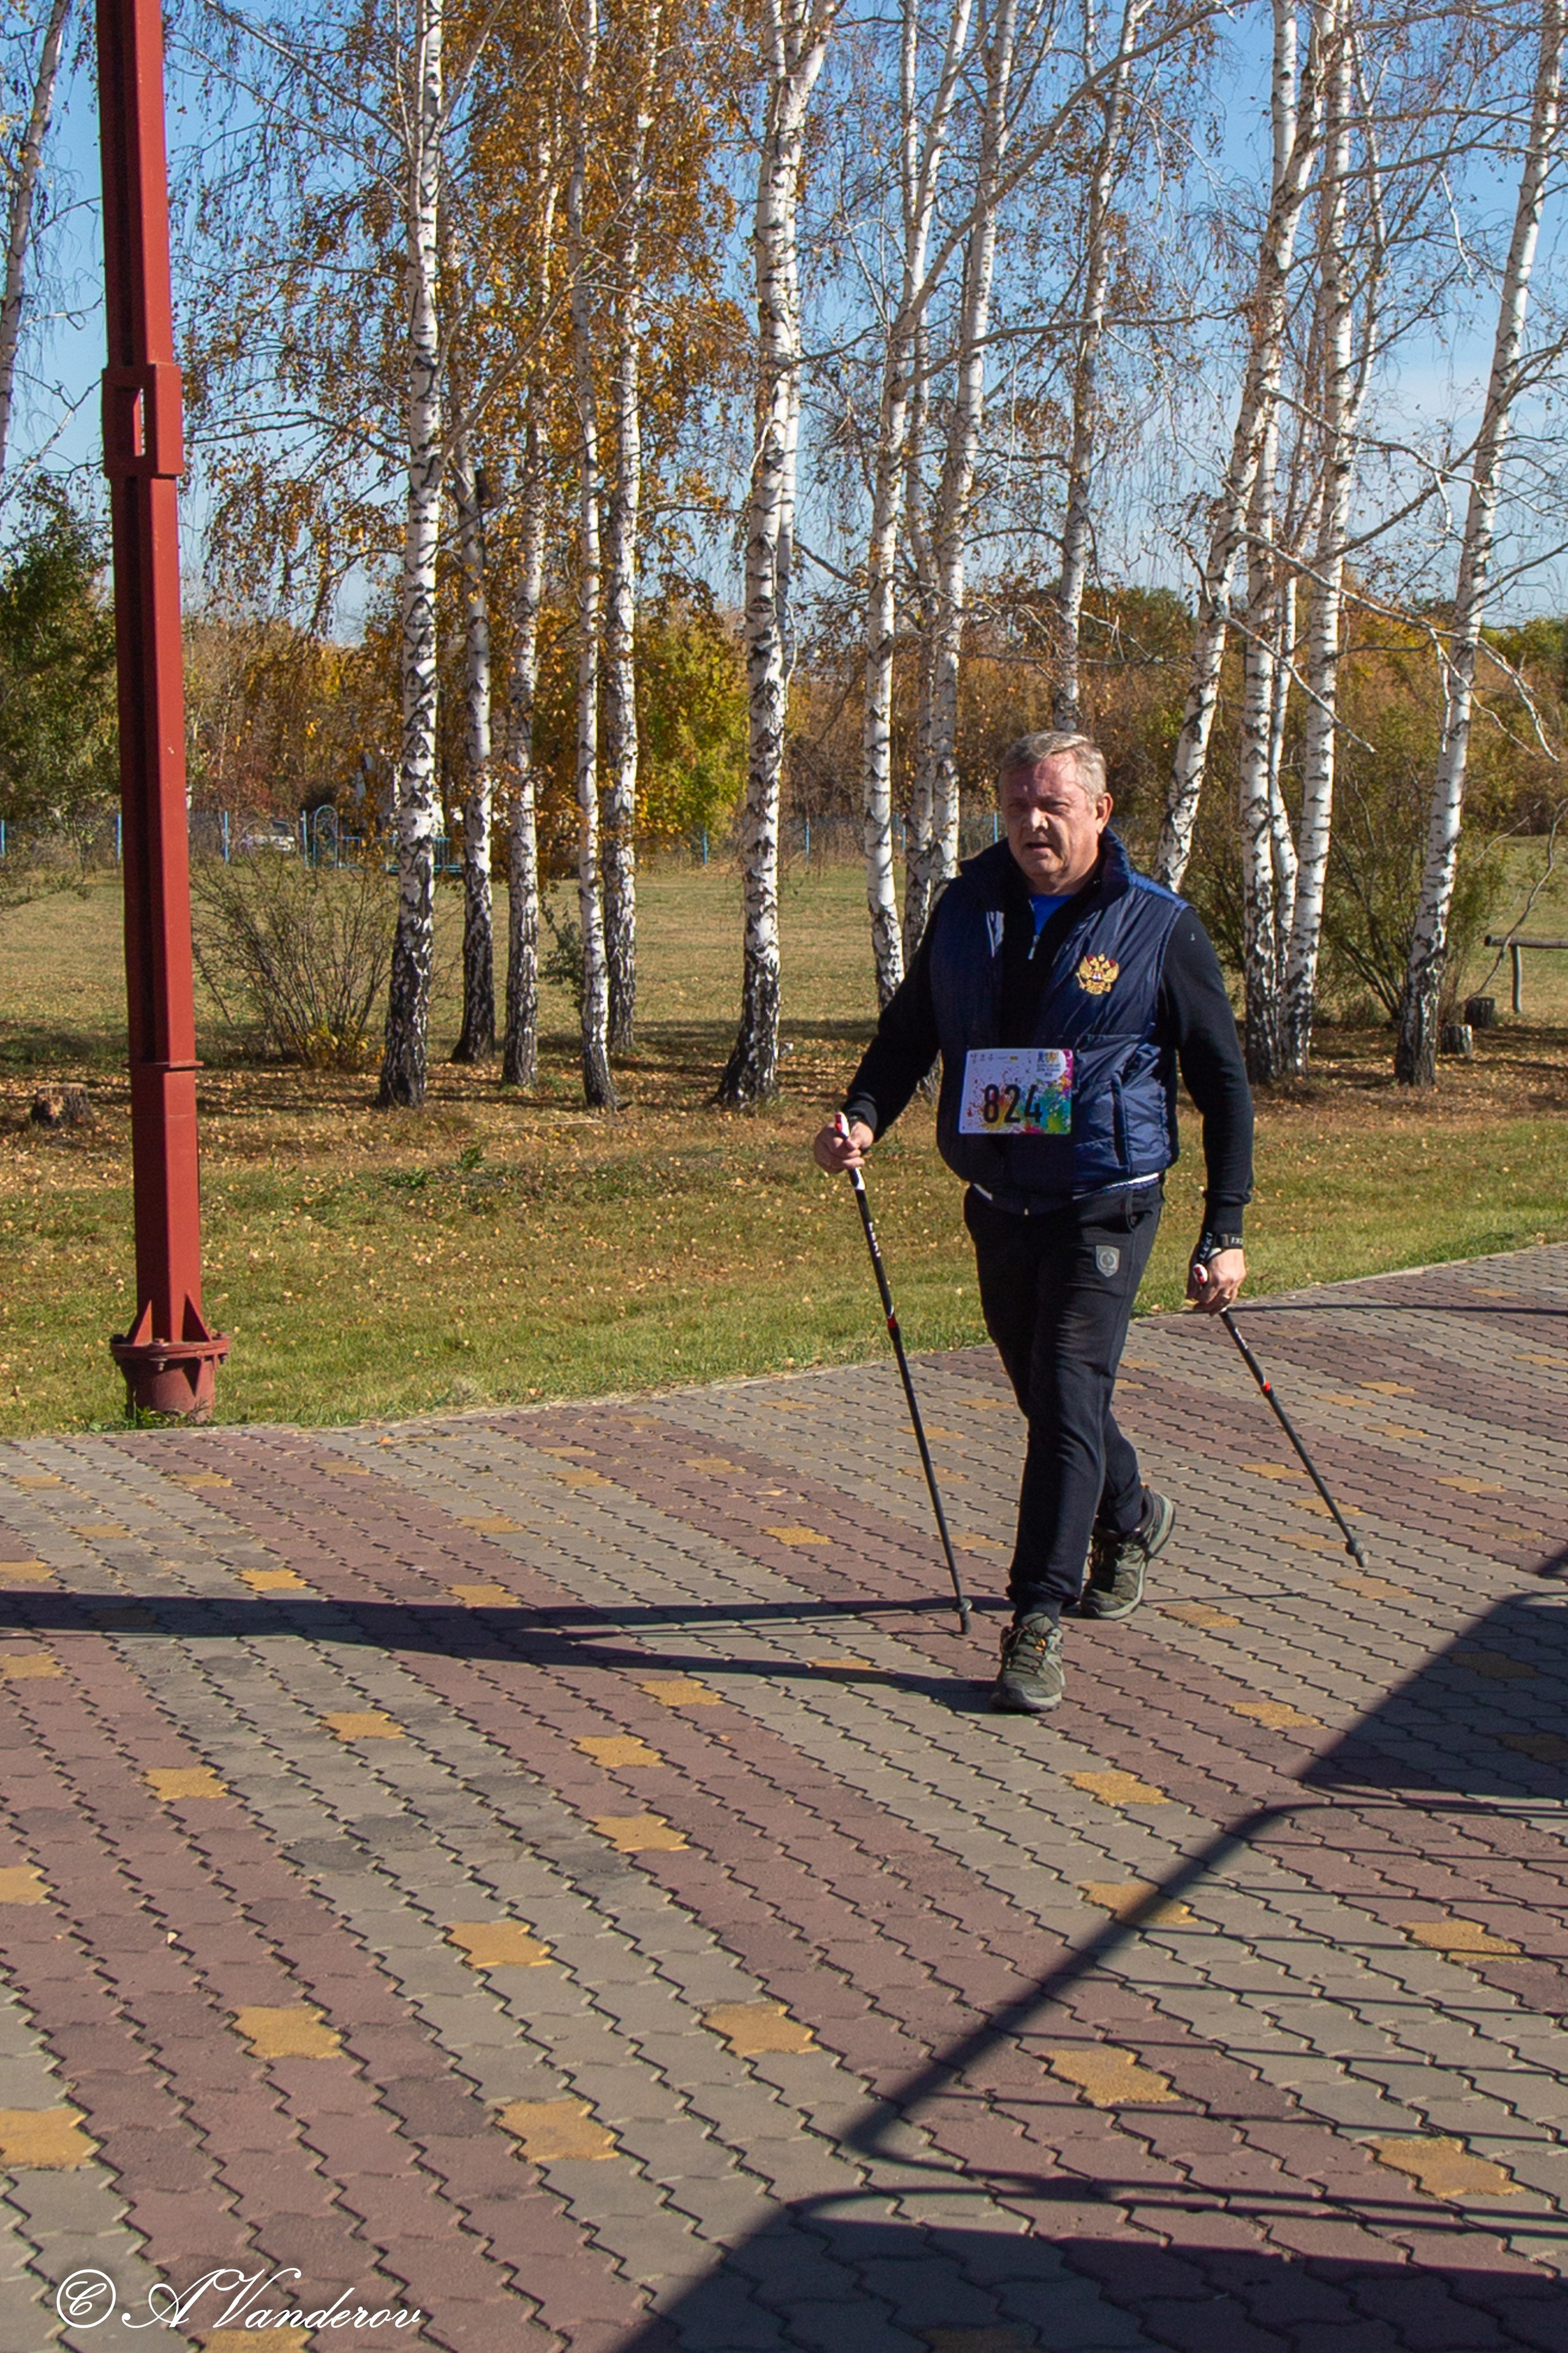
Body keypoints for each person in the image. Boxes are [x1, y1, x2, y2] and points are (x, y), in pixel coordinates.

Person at [813, 730, 1254, 1715]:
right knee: (1050, 1397)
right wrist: (863, 1117)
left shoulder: (1156, 925)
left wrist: (1224, 1227)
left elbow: (1223, 1084)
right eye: (1015, 806)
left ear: (1100, 811)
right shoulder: (967, 908)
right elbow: (908, 1034)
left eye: (1051, 804)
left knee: (1063, 1391)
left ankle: (1036, 1619)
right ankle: (1132, 1513)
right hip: (1000, 1196)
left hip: (1107, 1194)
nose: (1031, 823)